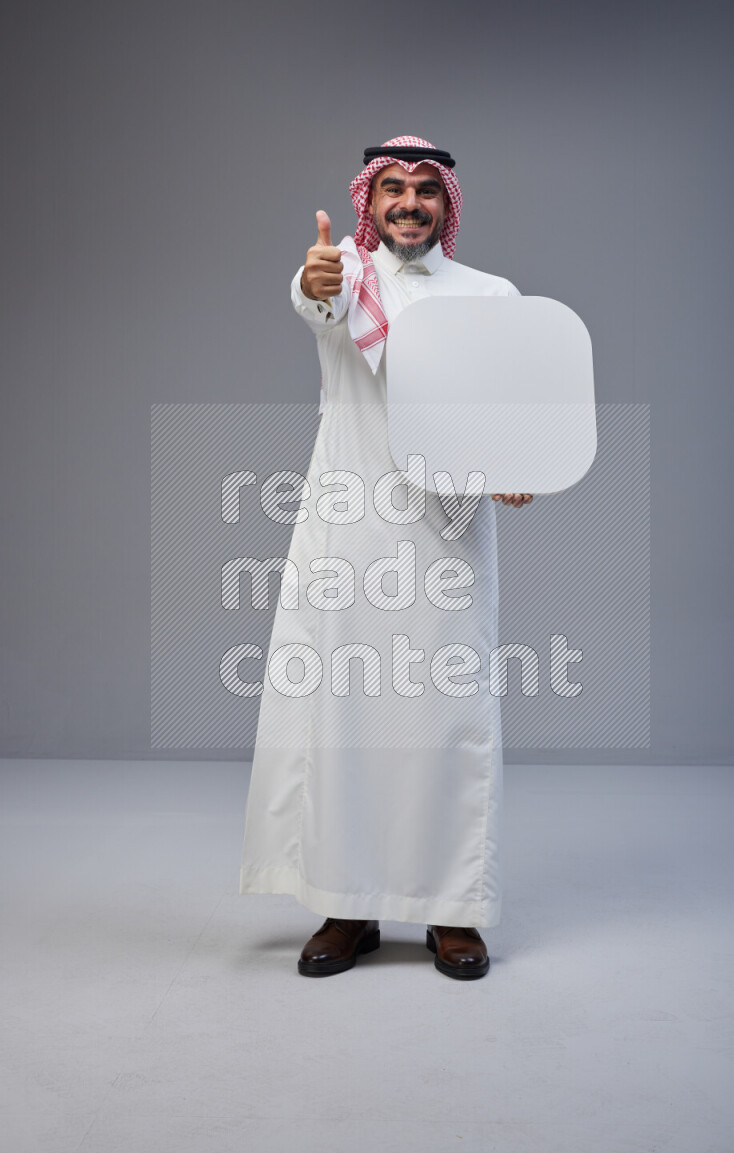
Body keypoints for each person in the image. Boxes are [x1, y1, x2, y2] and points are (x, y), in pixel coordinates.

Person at [239, 136, 531, 980]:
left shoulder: (492, 295)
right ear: (369, 202)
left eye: (425, 189)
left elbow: (512, 407)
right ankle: (347, 905)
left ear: (447, 204)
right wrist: (313, 280)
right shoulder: (344, 276)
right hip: (351, 533)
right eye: (393, 188)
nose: (409, 202)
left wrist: (517, 463)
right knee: (346, 718)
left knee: (450, 718)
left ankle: (454, 911)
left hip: (447, 536)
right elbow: (313, 298)